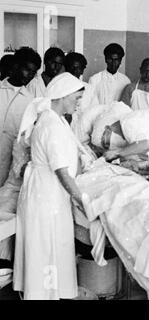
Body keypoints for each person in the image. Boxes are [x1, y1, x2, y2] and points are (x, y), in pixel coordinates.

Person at [13, 72, 86, 300]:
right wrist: (82, 201)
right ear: (63, 96)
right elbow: (63, 173)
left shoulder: (56, 119)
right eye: (76, 99)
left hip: (46, 194)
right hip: (46, 196)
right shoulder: (50, 126)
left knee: (48, 252)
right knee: (46, 251)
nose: (78, 104)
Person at [0, 47, 41, 262]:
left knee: (4, 212)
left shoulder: (31, 102)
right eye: (27, 70)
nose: (29, 76)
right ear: (15, 67)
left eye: (33, 72)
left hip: (10, 167)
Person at [65, 52, 99, 141]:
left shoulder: (89, 89)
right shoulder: (60, 89)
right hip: (64, 136)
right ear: (66, 68)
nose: (74, 71)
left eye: (78, 68)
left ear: (82, 70)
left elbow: (95, 115)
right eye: (72, 67)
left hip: (84, 138)